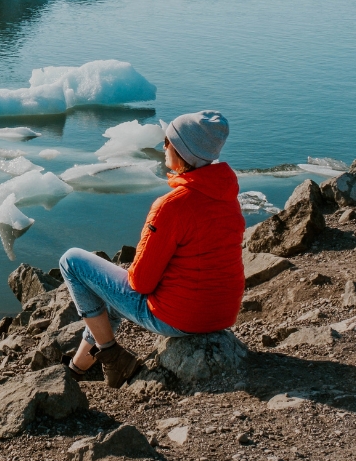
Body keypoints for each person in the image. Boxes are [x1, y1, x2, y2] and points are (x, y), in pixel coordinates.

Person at [58, 110, 245, 388]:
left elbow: (140, 283)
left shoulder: (172, 205)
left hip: (180, 317)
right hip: (221, 313)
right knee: (108, 300)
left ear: (182, 150)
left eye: (168, 141)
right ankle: (76, 370)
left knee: (71, 261)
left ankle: (111, 356)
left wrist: (124, 274)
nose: (163, 146)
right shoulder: (226, 198)